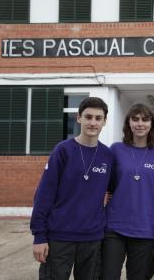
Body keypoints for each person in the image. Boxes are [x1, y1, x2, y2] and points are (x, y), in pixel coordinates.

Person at [30, 97, 113, 280]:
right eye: (88, 117)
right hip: (59, 237)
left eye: (98, 118)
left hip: (92, 238)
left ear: (104, 121)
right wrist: (39, 236)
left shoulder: (107, 156)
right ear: (78, 118)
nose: (93, 122)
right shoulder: (63, 150)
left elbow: (115, 191)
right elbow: (44, 195)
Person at [102, 103, 154, 280]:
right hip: (114, 226)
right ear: (128, 123)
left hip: (145, 228)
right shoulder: (115, 150)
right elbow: (108, 183)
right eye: (135, 119)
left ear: (152, 124)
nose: (140, 123)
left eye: (145, 119)